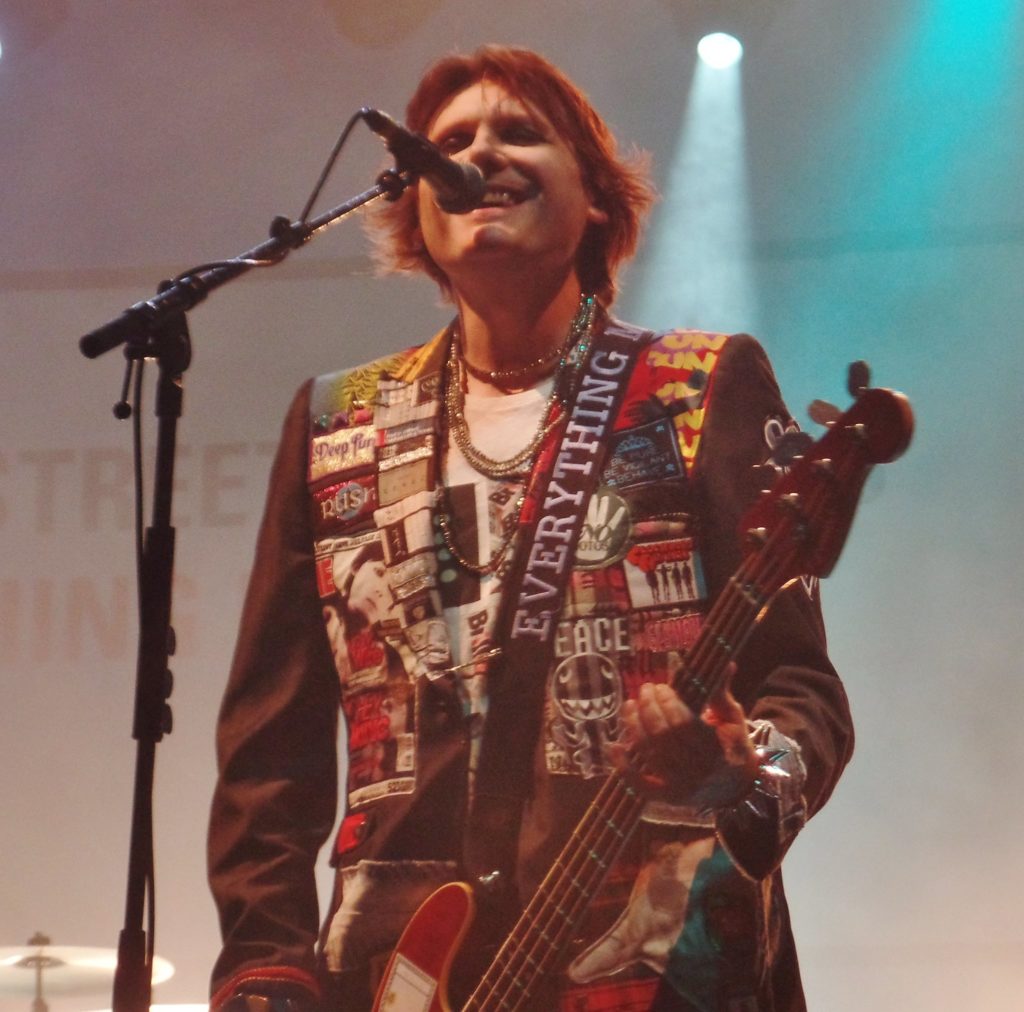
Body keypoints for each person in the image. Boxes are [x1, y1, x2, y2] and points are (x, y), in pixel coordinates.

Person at [208, 45, 853, 1012]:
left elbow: (801, 687)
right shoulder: (338, 419)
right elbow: (272, 749)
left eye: (519, 132)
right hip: (396, 969)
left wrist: (744, 765)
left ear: (596, 197)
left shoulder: (696, 385)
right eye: (452, 141)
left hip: (657, 957)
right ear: (417, 209)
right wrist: (267, 965)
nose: (481, 153)